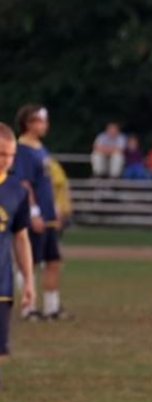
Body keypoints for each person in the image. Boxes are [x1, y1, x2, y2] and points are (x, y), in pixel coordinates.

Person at [12, 104, 71, 321]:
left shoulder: (40, 148)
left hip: (49, 215)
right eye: (40, 121)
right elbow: (24, 184)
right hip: (35, 214)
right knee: (30, 263)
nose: (45, 125)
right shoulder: (23, 150)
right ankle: (29, 308)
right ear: (28, 124)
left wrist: (55, 208)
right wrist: (33, 212)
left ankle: (51, 307)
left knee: (53, 261)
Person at [0, 122, 37, 386]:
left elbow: (21, 238)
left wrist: (29, 282)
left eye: (11, 154)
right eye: (1, 154)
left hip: (1, 284)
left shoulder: (17, 191)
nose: (6, 160)